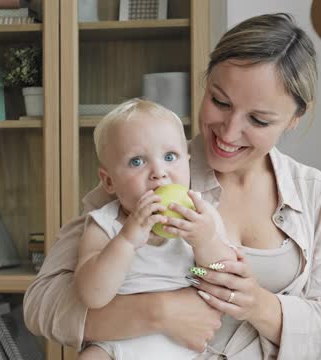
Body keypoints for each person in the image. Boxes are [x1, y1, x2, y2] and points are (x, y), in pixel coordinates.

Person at [24, 13, 321, 359]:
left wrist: (256, 302)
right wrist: (158, 310)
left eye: (258, 119)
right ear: (206, 82)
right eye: (220, 102)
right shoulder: (153, 172)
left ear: (295, 118)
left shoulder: (313, 193)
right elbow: (43, 304)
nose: (228, 132)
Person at [73, 99, 236, 359]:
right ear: (109, 181)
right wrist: (126, 241)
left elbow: (225, 276)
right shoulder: (105, 225)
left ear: (188, 164)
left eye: (170, 157)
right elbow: (91, 295)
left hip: (188, 348)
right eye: (137, 162)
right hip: (119, 344)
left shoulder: (202, 215)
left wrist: (204, 241)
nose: (159, 173)